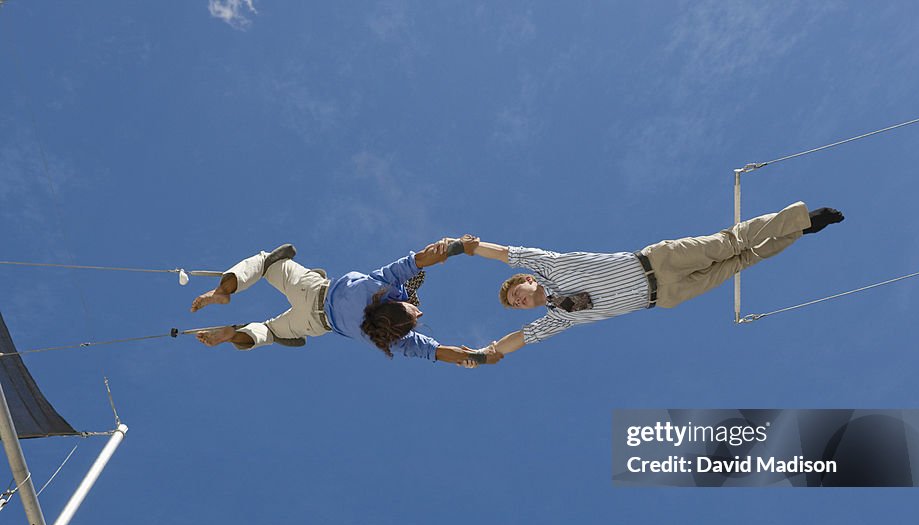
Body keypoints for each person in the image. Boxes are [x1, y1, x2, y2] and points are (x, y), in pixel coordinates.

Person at [465, 202, 844, 361]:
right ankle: (800, 230)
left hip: (657, 261)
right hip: (666, 295)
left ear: (529, 281)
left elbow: (506, 254)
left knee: (732, 242)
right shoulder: (557, 318)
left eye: (517, 293)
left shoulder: (546, 265)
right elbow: (521, 339)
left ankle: (802, 217)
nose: (519, 301)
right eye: (516, 304)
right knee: (741, 261)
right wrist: (488, 352)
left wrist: (470, 248)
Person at [189, 237, 500, 366]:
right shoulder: (386, 340)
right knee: (271, 332)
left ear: (402, 306)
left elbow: (415, 262)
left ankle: (224, 290)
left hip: (314, 290)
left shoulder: (384, 285)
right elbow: (430, 350)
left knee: (267, 262)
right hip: (316, 323)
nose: (420, 311)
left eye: (415, 312)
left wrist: (457, 247)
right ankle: (234, 334)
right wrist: (475, 357)